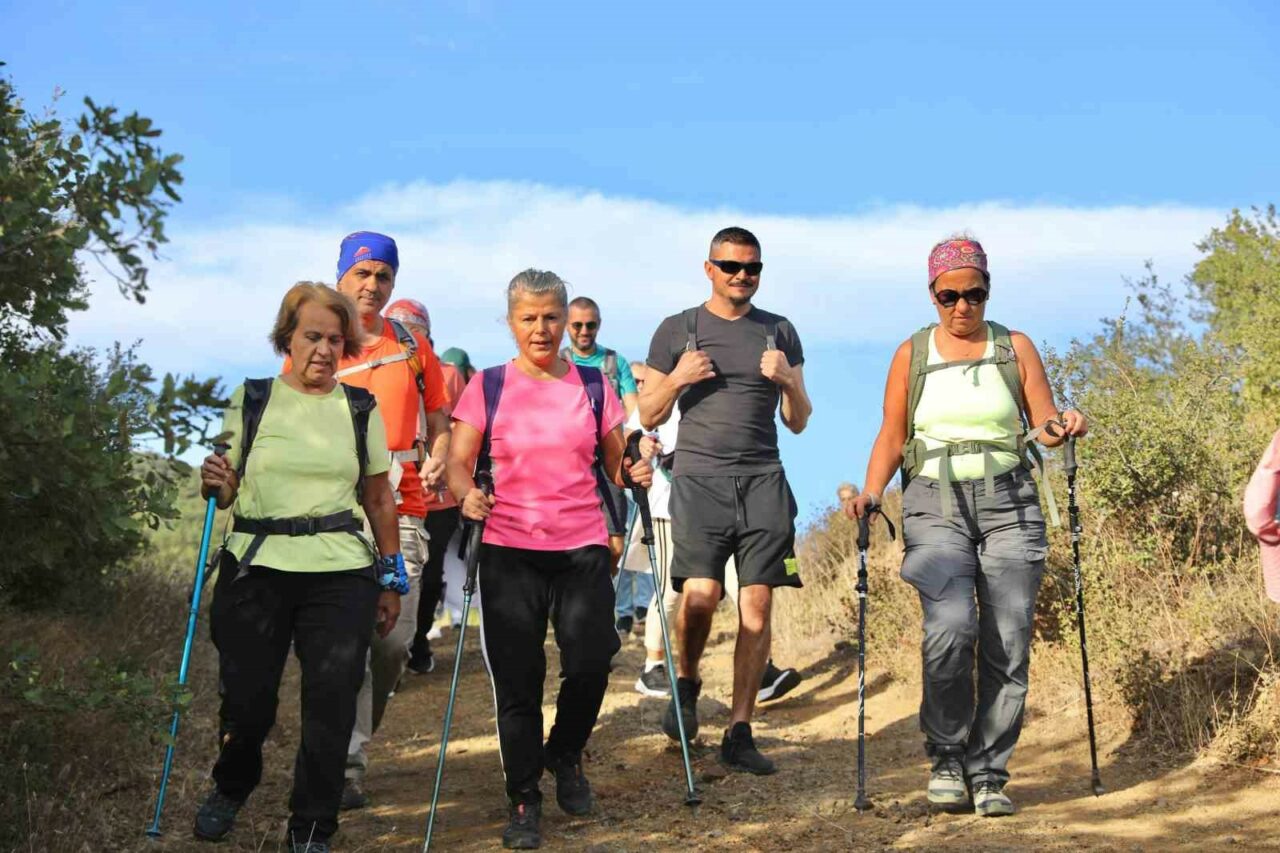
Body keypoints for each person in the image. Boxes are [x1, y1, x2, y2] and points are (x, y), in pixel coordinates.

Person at [849, 234, 1088, 817]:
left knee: (1008, 639)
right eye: (950, 295)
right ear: (932, 294)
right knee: (951, 626)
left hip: (1011, 498)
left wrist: (1064, 427)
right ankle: (948, 756)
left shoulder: (1015, 347)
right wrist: (873, 491)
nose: (963, 306)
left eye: (974, 294)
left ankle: (990, 771)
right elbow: (891, 432)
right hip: (933, 498)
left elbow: (1044, 422)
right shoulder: (914, 353)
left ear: (987, 291)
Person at [193, 283, 408, 853]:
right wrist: (216, 479)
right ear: (287, 336)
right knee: (248, 700)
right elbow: (227, 484)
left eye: (336, 340)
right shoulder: (254, 397)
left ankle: (312, 826)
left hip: (339, 569)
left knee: (332, 698)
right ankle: (232, 782)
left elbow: (379, 498)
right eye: (313, 336)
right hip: (257, 566)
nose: (324, 349)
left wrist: (392, 575)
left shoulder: (359, 407)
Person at [447, 269, 652, 849]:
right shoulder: (487, 385)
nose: (541, 328)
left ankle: (564, 753)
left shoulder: (592, 386)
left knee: (591, 658)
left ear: (566, 321)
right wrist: (467, 493)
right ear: (511, 322)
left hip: (580, 544)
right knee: (518, 679)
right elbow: (461, 460)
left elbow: (615, 463)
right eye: (528, 318)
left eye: (551, 318)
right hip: (509, 548)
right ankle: (523, 798)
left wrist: (632, 468)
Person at [640, 226, 812, 775]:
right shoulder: (678, 329)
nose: (743, 276)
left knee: (757, 606)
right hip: (699, 480)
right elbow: (648, 415)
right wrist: (678, 379)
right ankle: (686, 686)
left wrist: (788, 381)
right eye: (731, 266)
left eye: (752, 268)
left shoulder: (779, 330)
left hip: (763, 478)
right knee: (701, 595)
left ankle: (740, 729)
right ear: (709, 268)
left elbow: (800, 421)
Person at [316, 234, 452, 810]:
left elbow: (441, 417)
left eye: (383, 276)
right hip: (335, 509)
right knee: (346, 639)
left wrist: (443, 450)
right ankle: (344, 765)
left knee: (392, 643)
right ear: (342, 275)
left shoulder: (411, 345)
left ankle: (353, 741)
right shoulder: (319, 341)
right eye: (363, 273)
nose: (372, 285)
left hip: (406, 506)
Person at [621, 397, 802, 705]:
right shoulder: (668, 382)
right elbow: (630, 436)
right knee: (671, 590)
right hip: (669, 507)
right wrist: (642, 447)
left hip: (726, 508)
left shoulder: (725, 384)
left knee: (742, 586)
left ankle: (760, 672)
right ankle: (653, 667)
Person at [382, 298, 466, 675]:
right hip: (388, 491)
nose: (408, 338)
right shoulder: (380, 366)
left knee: (430, 575)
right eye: (398, 329)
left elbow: (461, 426)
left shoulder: (447, 373)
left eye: (415, 331)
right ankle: (389, 645)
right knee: (389, 568)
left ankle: (417, 640)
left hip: (438, 494)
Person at [561, 296, 639, 576]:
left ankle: (601, 592)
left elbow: (634, 409)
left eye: (590, 325)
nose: (584, 331)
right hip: (569, 462)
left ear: (599, 325)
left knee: (615, 544)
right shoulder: (558, 362)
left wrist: (631, 438)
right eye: (577, 325)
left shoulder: (615, 363)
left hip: (609, 459)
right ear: (567, 326)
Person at [613, 365, 657, 637]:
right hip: (622, 489)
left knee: (644, 549)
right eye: (636, 381)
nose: (640, 386)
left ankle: (643, 607)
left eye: (645, 381)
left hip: (652, 491)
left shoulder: (659, 410)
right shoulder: (617, 413)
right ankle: (623, 612)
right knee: (622, 550)